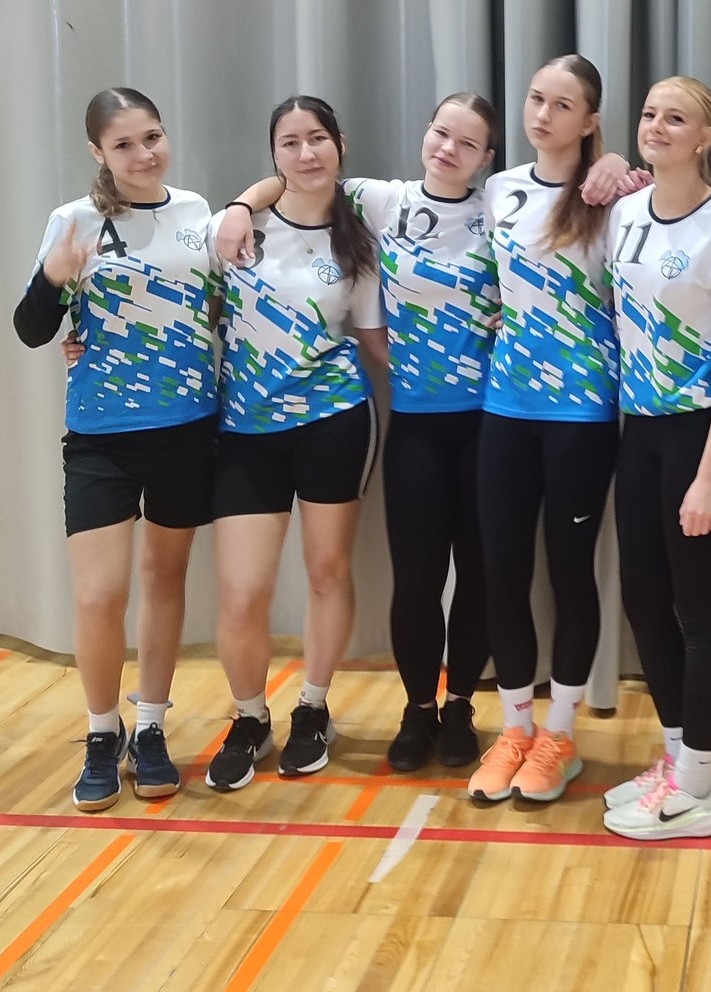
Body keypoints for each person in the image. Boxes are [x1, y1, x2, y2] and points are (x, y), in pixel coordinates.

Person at [217, 93, 507, 773]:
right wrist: (237, 205)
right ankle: (417, 710)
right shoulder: (379, 200)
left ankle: (460, 705)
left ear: (487, 158)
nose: (448, 149)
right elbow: (294, 181)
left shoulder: (502, 207)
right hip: (413, 423)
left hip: (495, 421)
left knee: (481, 575)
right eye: (440, 132)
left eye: (467, 143)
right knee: (416, 579)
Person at [12, 87, 216, 811]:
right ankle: (103, 732)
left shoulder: (197, 213)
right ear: (98, 151)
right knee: (99, 595)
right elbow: (32, 328)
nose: (143, 153)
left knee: (165, 580)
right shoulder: (73, 220)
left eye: (152, 136)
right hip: (101, 436)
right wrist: (54, 278)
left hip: (187, 429)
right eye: (124, 143)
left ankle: (151, 726)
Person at [599, 76, 711, 841]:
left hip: (698, 433)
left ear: (704, 137)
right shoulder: (626, 214)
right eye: (649, 114)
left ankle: (700, 784)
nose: (658, 126)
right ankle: (676, 758)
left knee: (698, 610)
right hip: (639, 431)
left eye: (677, 118)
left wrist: (709, 476)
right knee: (643, 600)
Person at [204, 95, 385, 791]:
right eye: (290, 142)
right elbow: (187, 310)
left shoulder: (359, 238)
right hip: (246, 429)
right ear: (273, 154)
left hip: (334, 420)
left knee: (327, 572)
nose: (306, 154)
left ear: (340, 144)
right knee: (241, 592)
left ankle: (313, 708)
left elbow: (374, 342)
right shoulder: (235, 229)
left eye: (317, 139)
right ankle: (250, 717)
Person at [467, 55, 634, 804]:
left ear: (590, 120)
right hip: (505, 408)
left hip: (581, 415)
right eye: (536, 99)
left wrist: (619, 165)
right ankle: (515, 730)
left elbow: (696, 206)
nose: (543, 115)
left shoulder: (614, 197)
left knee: (570, 571)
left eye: (562, 105)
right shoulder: (499, 188)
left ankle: (560, 734)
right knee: (502, 568)